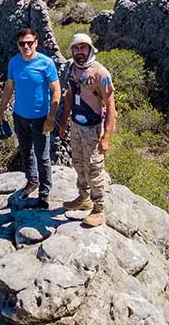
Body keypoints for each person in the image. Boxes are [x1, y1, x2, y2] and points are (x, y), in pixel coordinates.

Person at [0, 27, 61, 209]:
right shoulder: (14, 63)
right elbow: (9, 87)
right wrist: (0, 113)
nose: (26, 46)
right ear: (18, 45)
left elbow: (56, 90)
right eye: (22, 44)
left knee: (43, 156)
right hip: (20, 116)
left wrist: (51, 117)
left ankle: (44, 193)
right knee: (26, 151)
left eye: (29, 43)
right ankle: (32, 180)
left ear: (36, 43)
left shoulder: (46, 63)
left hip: (41, 117)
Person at [59, 33, 116, 227]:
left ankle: (99, 209)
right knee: (78, 162)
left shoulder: (100, 73)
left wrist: (106, 137)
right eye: (76, 48)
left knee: (94, 167)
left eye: (83, 48)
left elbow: (110, 106)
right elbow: (69, 95)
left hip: (93, 127)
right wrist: (64, 121)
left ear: (90, 49)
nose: (79, 52)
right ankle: (83, 198)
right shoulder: (72, 68)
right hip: (76, 124)